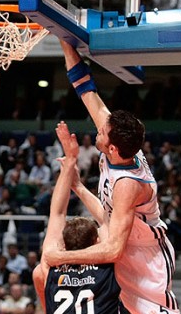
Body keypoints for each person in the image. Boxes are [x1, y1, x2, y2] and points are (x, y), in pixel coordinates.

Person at [44, 41, 180, 313]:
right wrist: (63, 39)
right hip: (125, 243)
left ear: (112, 148)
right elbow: (86, 89)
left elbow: (114, 248)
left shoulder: (127, 186)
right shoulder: (121, 146)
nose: (98, 129)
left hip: (145, 257)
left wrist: (62, 257)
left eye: (102, 133)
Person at [33, 121, 120, 313]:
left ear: (63, 243)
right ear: (97, 241)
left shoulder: (52, 266)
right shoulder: (108, 266)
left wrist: (70, 161)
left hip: (57, 288)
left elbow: (57, 213)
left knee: (38, 273)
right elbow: (108, 221)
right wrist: (78, 185)